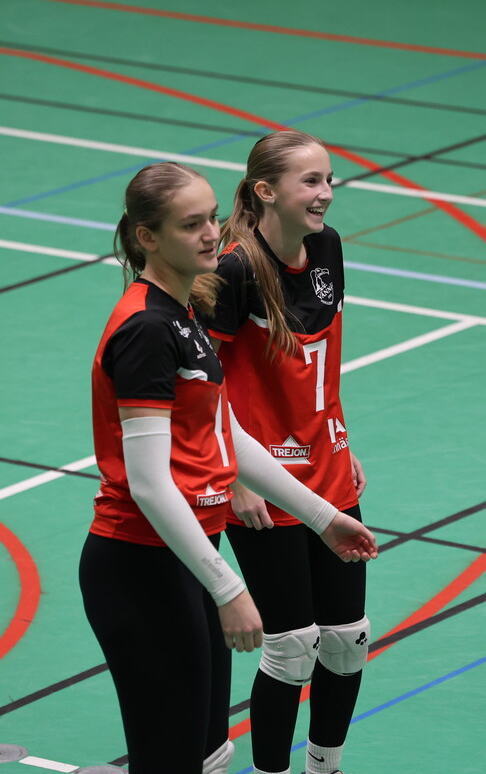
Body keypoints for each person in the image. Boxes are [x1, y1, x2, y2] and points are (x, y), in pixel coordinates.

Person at [79, 161, 378, 774]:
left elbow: (229, 435)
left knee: (209, 754)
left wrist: (323, 518)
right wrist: (230, 589)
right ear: (147, 238)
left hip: (185, 559)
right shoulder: (147, 328)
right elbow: (148, 483)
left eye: (212, 217)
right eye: (191, 224)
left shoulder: (185, 311)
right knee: (172, 758)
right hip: (141, 566)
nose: (213, 233)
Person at [191, 130, 368, 774]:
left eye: (329, 179)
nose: (326, 193)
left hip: (329, 465)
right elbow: (202, 384)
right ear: (266, 191)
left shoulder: (328, 248)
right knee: (293, 648)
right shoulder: (234, 270)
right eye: (310, 181)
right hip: (264, 481)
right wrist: (236, 477)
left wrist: (341, 437)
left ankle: (325, 766)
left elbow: (324, 359)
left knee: (347, 642)